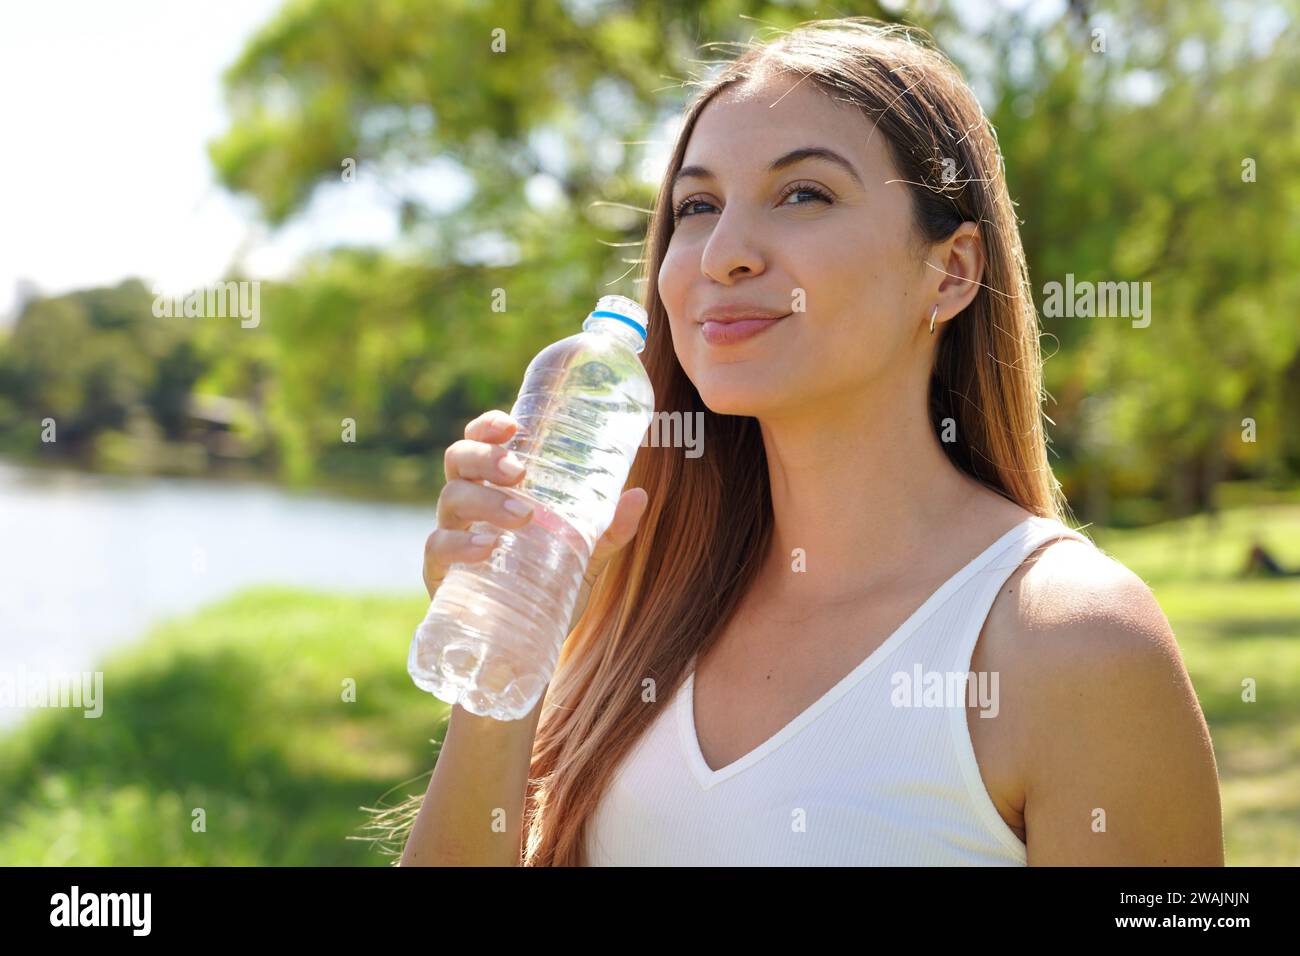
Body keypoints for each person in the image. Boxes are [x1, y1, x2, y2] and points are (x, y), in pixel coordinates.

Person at [390, 17, 1223, 866]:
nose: (723, 254)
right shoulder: (634, 612)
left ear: (952, 272)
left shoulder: (1073, 643)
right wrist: (513, 636)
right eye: (697, 206)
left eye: (804, 194)